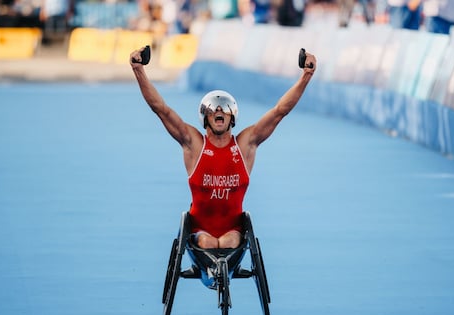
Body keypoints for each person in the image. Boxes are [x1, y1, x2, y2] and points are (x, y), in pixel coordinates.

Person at [130, 46, 317, 249]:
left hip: (233, 232)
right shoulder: (194, 144)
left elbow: (280, 111)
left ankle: (220, 272)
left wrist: (306, 75)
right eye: (213, 109)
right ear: (205, 117)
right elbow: (161, 110)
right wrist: (139, 70)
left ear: (232, 116)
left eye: (224, 108)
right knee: (209, 242)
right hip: (199, 232)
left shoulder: (246, 144)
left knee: (227, 241)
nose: (219, 111)